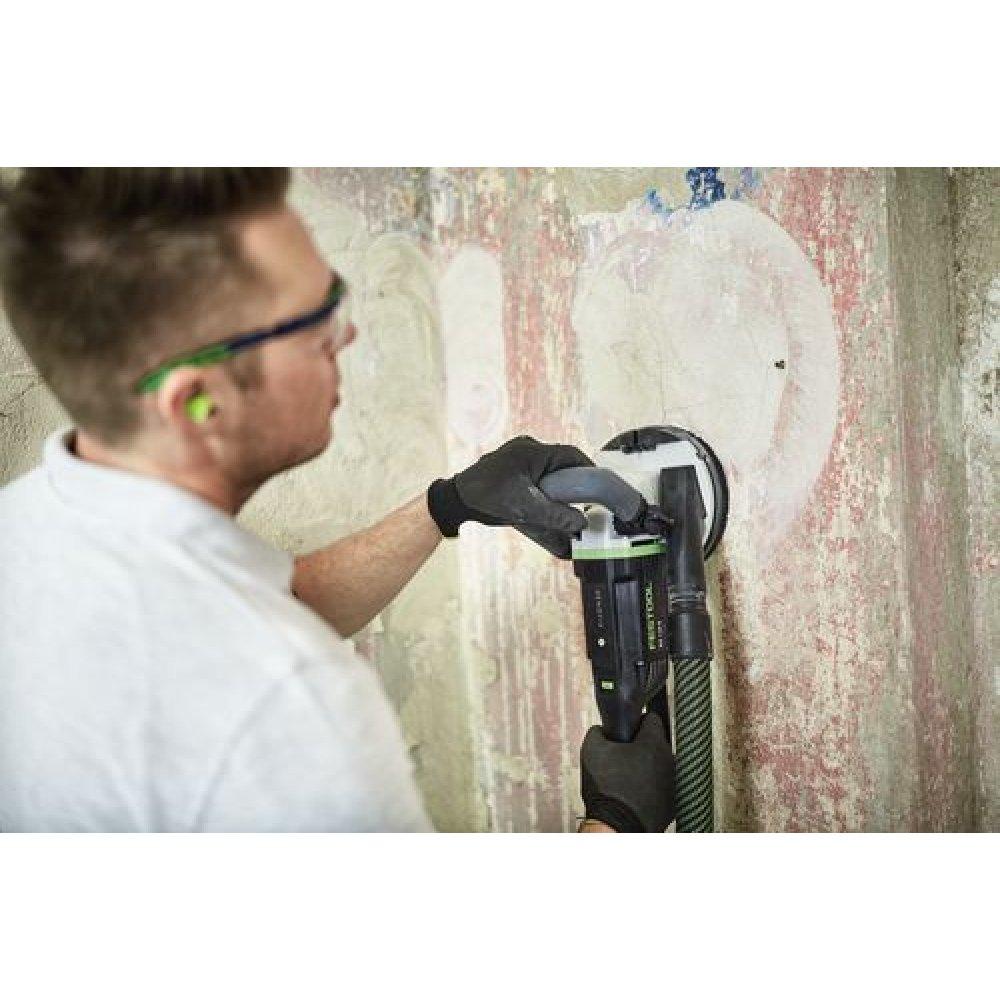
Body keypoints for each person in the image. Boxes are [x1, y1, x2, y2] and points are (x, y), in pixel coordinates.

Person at [0, 168, 673, 832]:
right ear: (197, 402)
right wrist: (617, 825)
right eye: (313, 319)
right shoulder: (296, 712)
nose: (344, 335)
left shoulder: (33, 529)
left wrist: (446, 506)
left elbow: (259, 607)